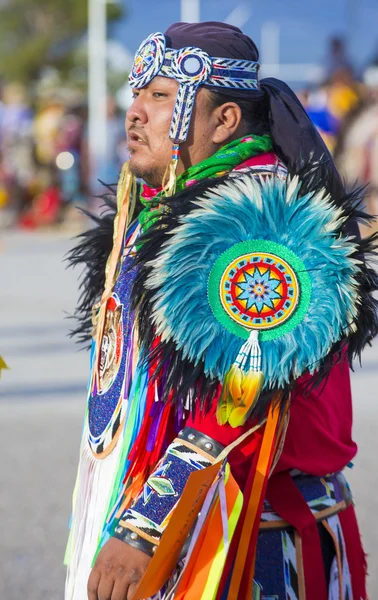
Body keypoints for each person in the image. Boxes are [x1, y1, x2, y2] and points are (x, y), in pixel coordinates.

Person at [65, 23, 378, 600]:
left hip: (251, 535)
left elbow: (245, 390)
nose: (134, 112)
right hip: (199, 515)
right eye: (136, 93)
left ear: (224, 120)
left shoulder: (261, 225)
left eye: (159, 96)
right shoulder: (172, 204)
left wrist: (144, 526)